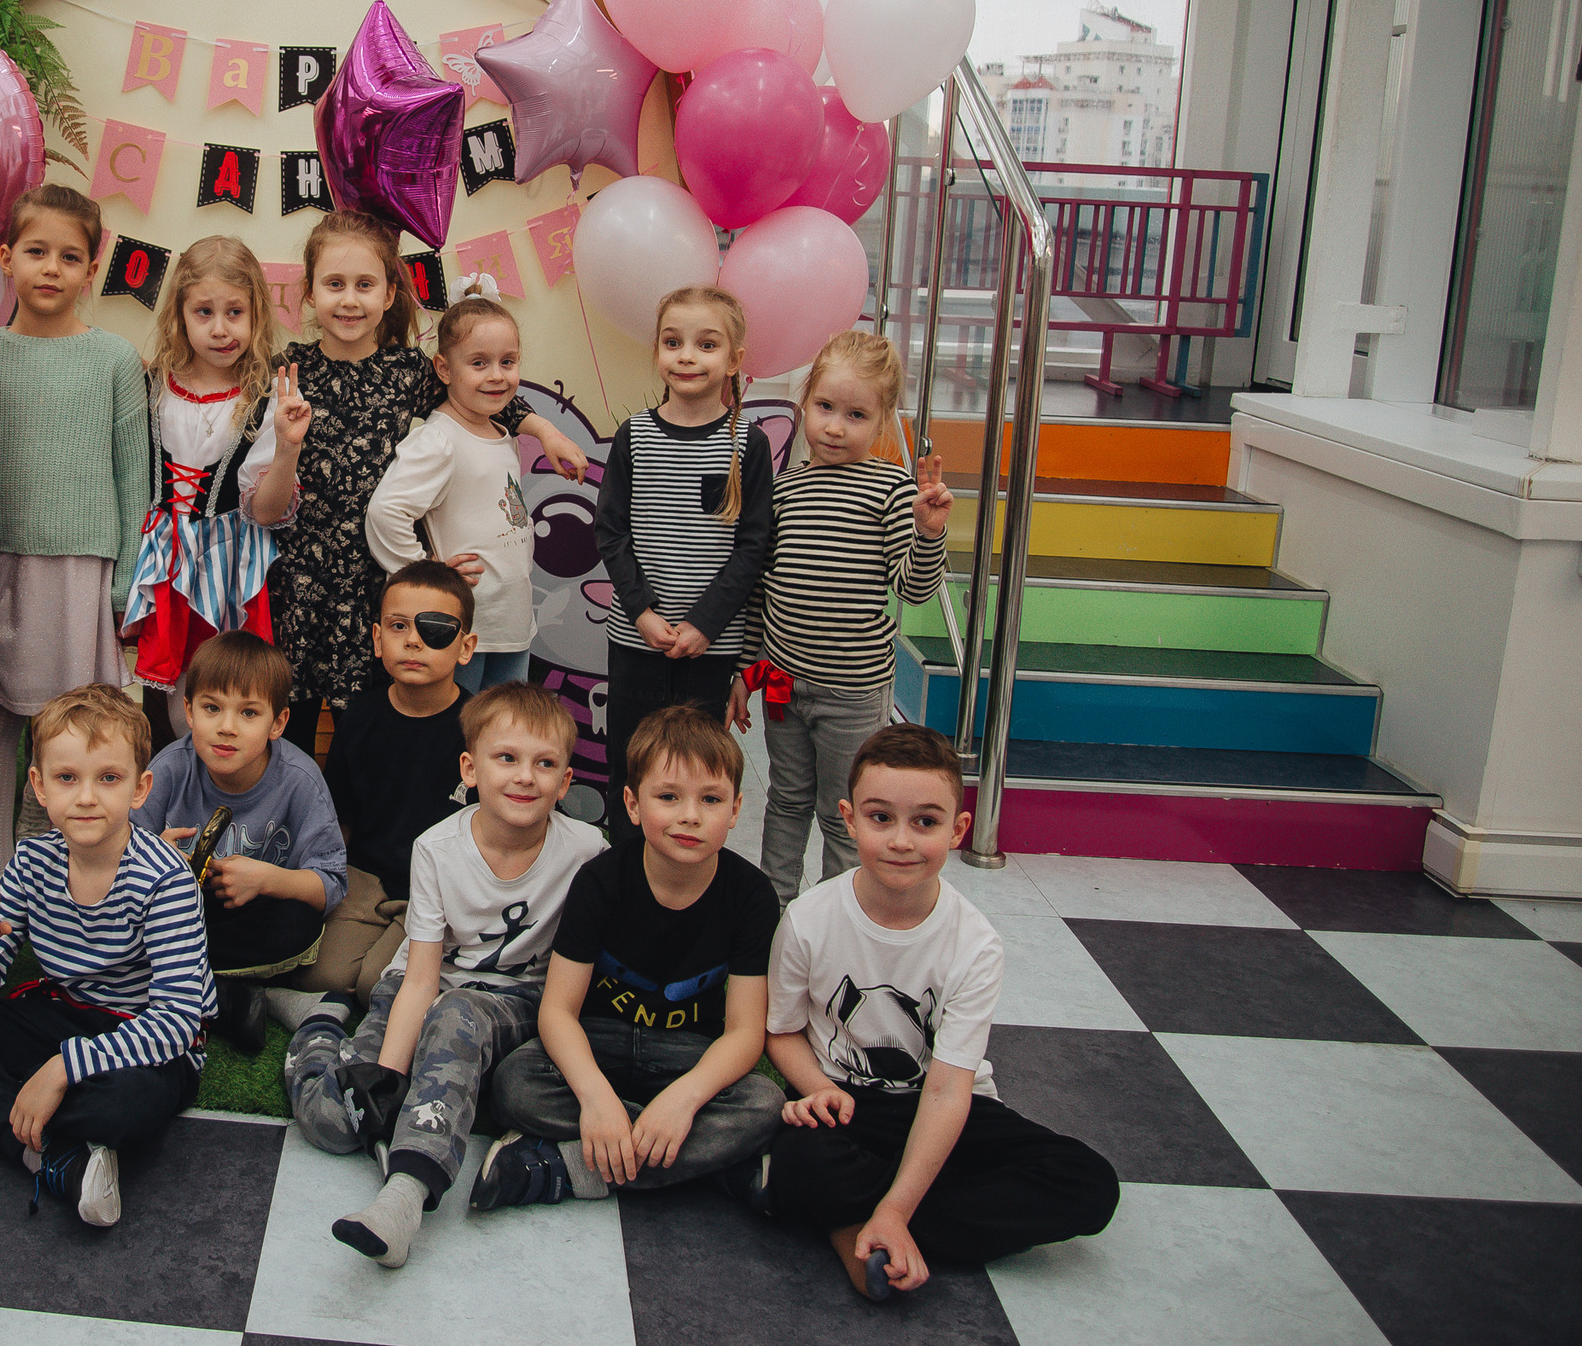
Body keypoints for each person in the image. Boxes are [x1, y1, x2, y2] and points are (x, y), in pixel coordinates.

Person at [761, 724, 1119, 1300]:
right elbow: (779, 1033)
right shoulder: (808, 919)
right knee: (802, 1155)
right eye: (881, 818)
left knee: (1090, 1185)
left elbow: (949, 1091)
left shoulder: (975, 943)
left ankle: (868, 1226)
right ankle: (900, 1215)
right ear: (849, 819)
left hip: (945, 1105)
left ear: (958, 830)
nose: (901, 840)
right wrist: (816, 1089)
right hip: (851, 1107)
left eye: (924, 822)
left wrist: (898, 1209)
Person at [285, 682, 603, 1268]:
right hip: (423, 988)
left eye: (545, 764)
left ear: (566, 781)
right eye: (506, 758)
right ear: (471, 768)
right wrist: (384, 1077)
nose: (525, 777)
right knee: (335, 1121)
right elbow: (420, 979)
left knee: (460, 1019)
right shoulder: (436, 848)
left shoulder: (587, 851)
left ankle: (405, 1196)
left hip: (515, 1000)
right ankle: (316, 1024)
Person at [0, 683, 214, 1228]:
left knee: (127, 1104)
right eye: (67, 778)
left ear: (141, 788)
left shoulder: (167, 879)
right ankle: (52, 1152)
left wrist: (65, 1068)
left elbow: (179, 1022)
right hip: (59, 1014)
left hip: (143, 1035)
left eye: (108, 778)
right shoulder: (30, 860)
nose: (86, 797)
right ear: (39, 787)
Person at [270, 212, 584, 749]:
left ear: (390, 293)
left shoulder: (407, 370)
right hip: (303, 578)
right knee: (291, 720)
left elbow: (481, 393)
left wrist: (545, 432)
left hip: (381, 584)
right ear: (309, 292)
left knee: (371, 727)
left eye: (365, 285)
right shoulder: (289, 368)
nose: (350, 300)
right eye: (335, 284)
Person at [473, 706, 784, 1210]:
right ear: (633, 805)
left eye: (711, 799)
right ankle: (712, 1162)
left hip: (686, 1055)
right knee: (513, 1084)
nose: (690, 815)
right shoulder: (601, 880)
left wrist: (681, 1102)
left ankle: (566, 1167)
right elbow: (558, 1012)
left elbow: (745, 1033)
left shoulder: (750, 896)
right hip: (600, 1041)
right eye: (668, 797)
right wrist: (597, 1100)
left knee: (764, 1104)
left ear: (736, 809)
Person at [0, 184, 151, 858]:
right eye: (36, 251)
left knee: (71, 730)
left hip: (81, 574)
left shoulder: (115, 360)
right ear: (7, 257)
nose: (51, 268)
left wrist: (126, 583)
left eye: (69, 256)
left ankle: (60, 873)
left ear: (90, 270)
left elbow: (136, 479)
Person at [730, 330, 952, 902]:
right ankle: (772, 915)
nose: (834, 426)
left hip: (853, 691)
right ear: (804, 404)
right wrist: (746, 671)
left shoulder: (892, 491)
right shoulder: (784, 490)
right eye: (825, 407)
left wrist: (929, 533)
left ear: (881, 424)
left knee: (843, 813)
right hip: (782, 682)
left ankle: (836, 919)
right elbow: (760, 592)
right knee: (785, 802)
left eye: (855, 415)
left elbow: (915, 588)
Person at [594, 287, 772, 841]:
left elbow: (753, 546)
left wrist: (704, 625)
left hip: (708, 648)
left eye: (706, 344)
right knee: (632, 762)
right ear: (657, 351)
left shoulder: (750, 443)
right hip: (637, 639)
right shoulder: (635, 435)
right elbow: (611, 531)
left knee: (693, 771)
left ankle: (689, 865)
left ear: (734, 360)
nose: (687, 355)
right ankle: (626, 866)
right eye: (673, 342)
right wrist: (644, 613)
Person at [120, 235, 310, 742]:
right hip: (165, 557)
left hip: (232, 562)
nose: (221, 329)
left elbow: (267, 513)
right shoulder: (151, 385)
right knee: (169, 703)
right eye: (204, 311)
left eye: (235, 313)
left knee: (229, 693)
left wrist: (288, 448)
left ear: (256, 317)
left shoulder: (266, 398)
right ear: (180, 314)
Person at [132, 631, 345, 1052]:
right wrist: (153, 855)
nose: (226, 728)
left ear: (278, 723)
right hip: (175, 916)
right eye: (212, 708)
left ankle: (164, 984)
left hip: (250, 915)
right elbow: (118, 863)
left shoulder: (300, 780)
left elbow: (331, 884)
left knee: (300, 924)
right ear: (189, 712)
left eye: (248, 713)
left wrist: (267, 880)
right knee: (129, 922)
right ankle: (231, 998)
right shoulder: (171, 768)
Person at [289, 560, 481, 1005]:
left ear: (465, 646)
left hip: (439, 888)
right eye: (398, 626)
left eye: (435, 628)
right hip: (366, 879)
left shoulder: (481, 728)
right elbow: (340, 818)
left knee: (382, 984)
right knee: (323, 975)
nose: (413, 640)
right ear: (377, 639)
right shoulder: (360, 716)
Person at [364, 287, 538, 695]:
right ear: (444, 369)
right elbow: (386, 513)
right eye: (479, 363)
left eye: (507, 362)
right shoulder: (439, 439)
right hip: (462, 632)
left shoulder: (501, 431)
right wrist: (427, 573)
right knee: (456, 736)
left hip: (510, 624)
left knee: (501, 735)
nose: (497, 375)